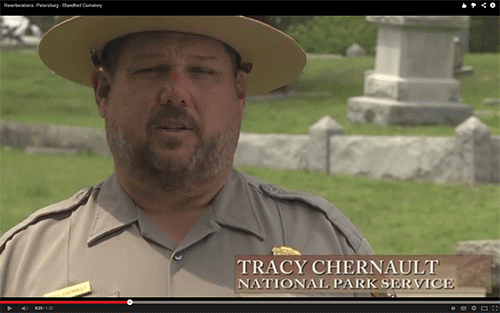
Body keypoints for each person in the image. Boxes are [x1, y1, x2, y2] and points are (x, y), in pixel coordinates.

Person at [0, 16, 378, 297]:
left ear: (239, 93)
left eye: (201, 70)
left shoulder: (325, 243)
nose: (175, 92)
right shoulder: (23, 262)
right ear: (103, 92)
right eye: (151, 69)